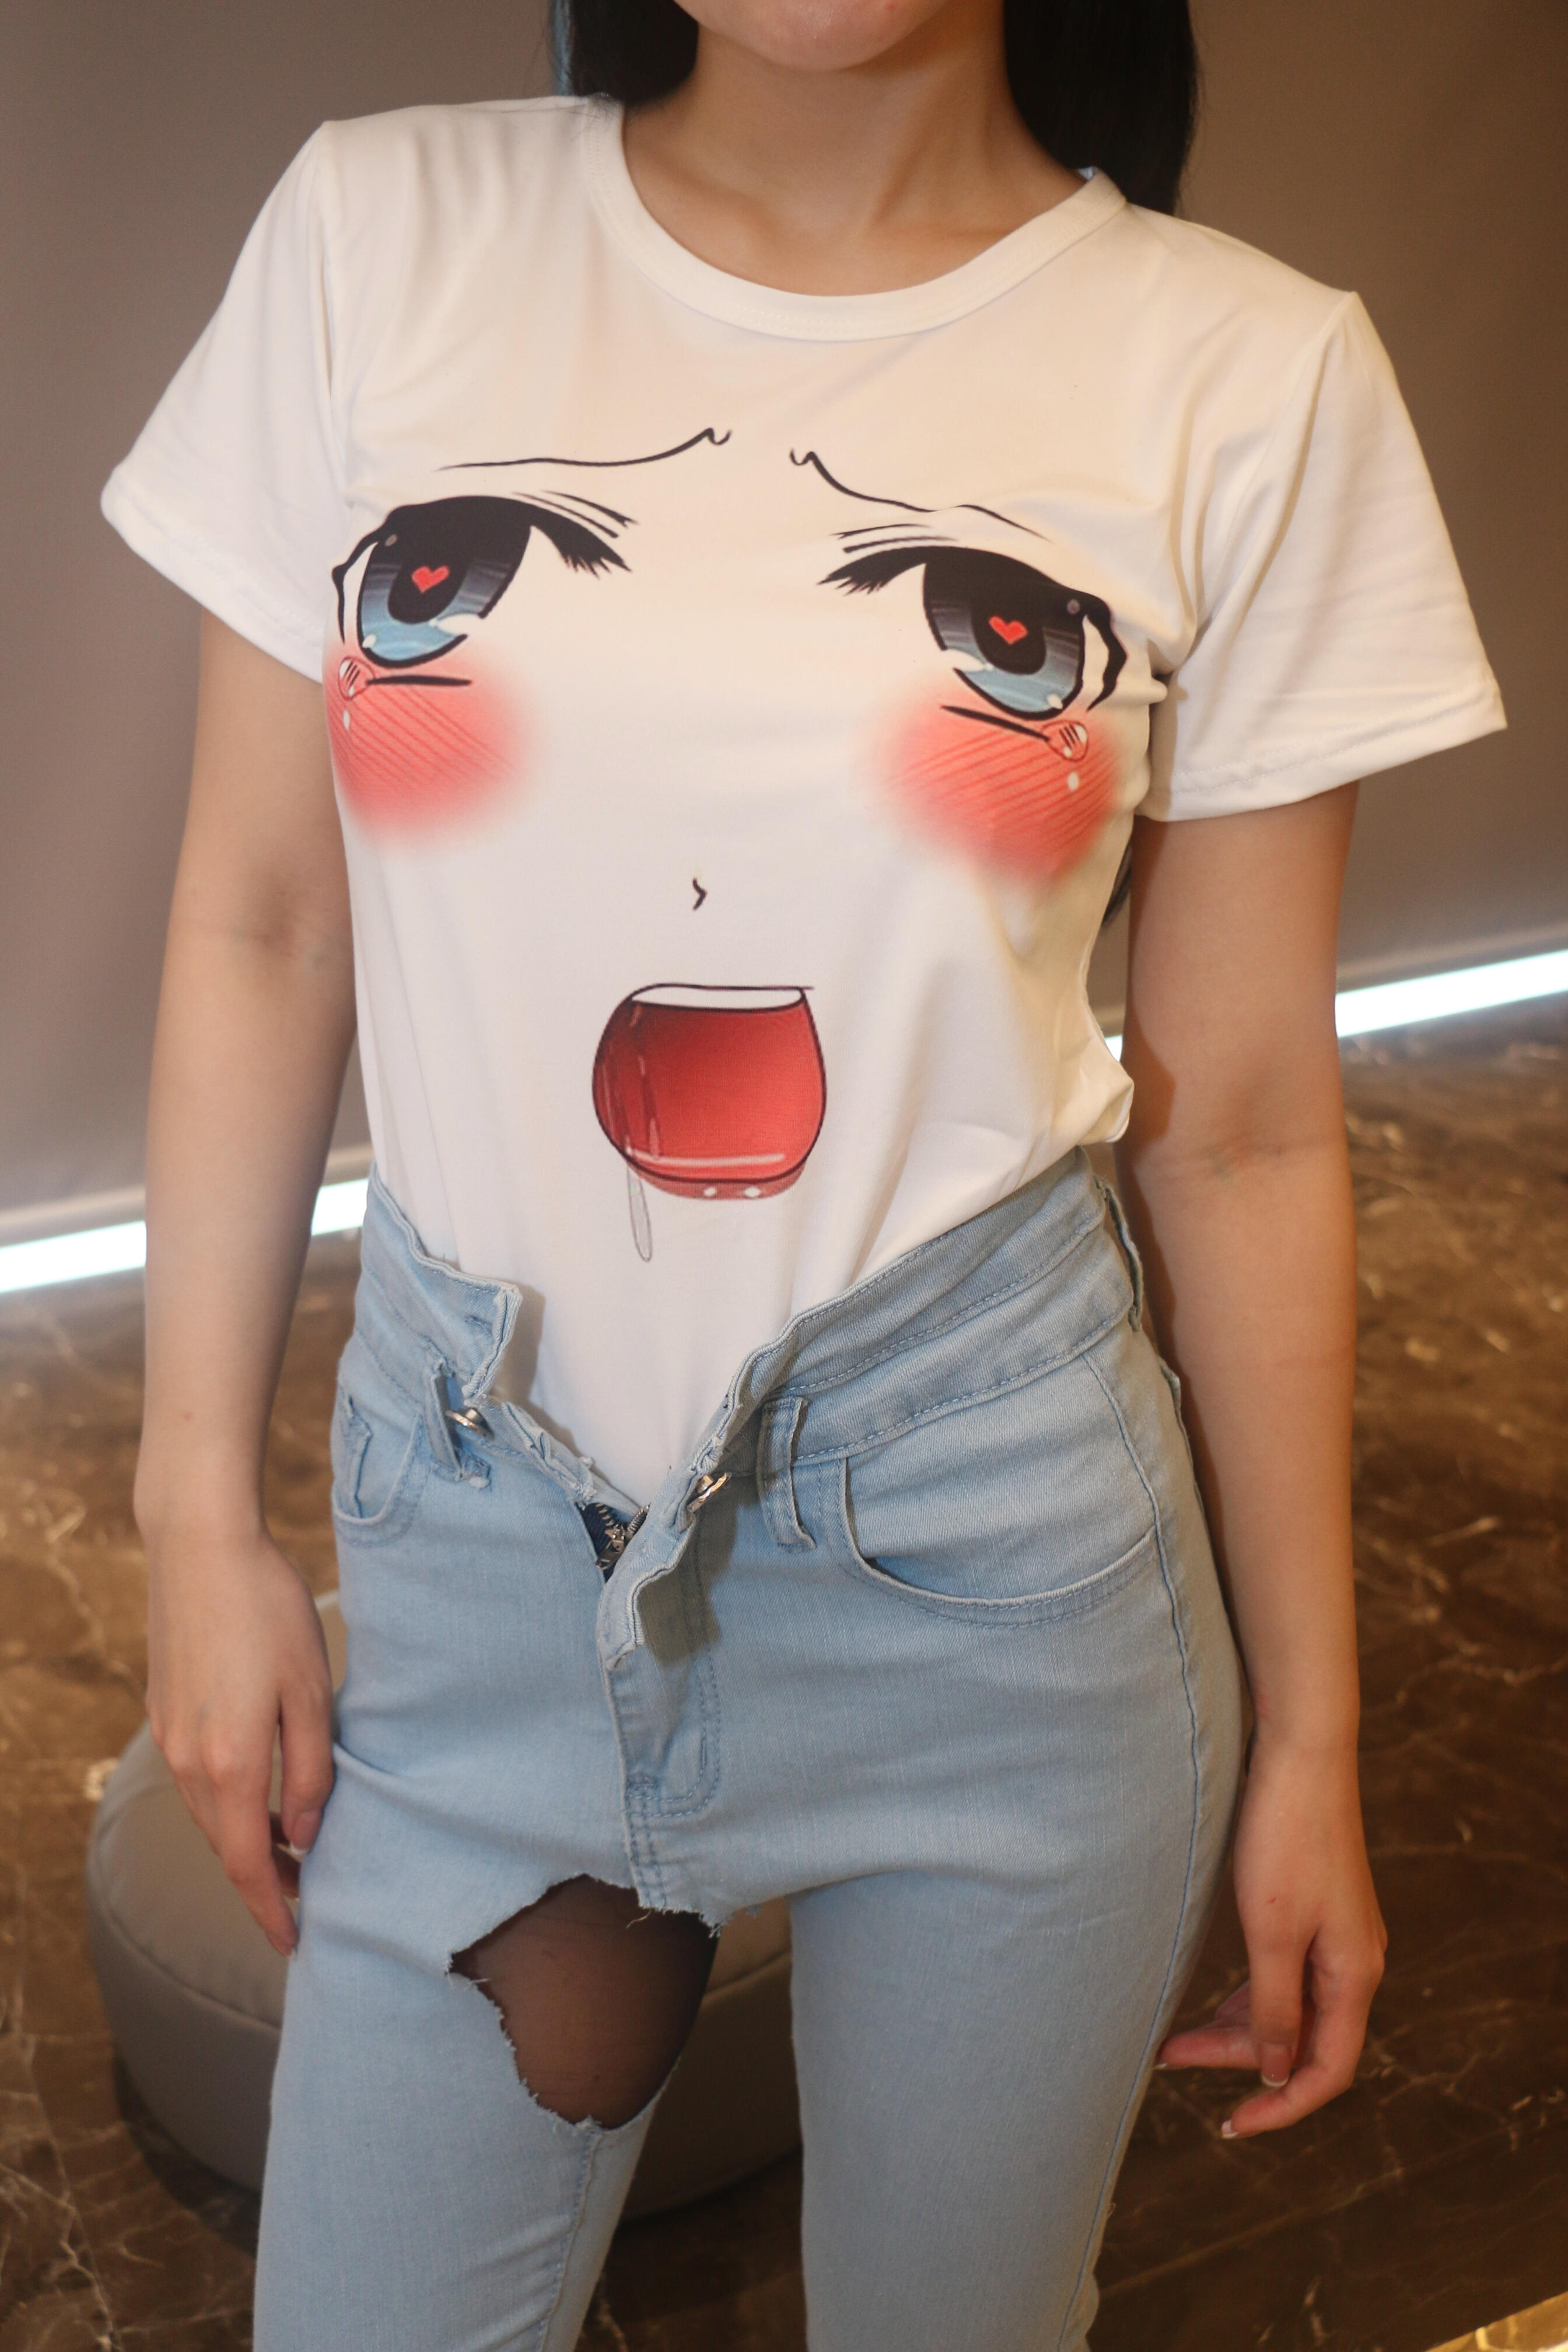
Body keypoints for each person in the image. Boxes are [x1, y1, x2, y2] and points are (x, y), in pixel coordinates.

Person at [102, 1, 1503, 2344]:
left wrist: (1313, 1737)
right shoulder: (381, 232)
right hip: (479, 1563)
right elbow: (264, 923)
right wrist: (190, 1520)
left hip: (1001, 1578)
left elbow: (1249, 1117)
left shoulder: (1250, 371)